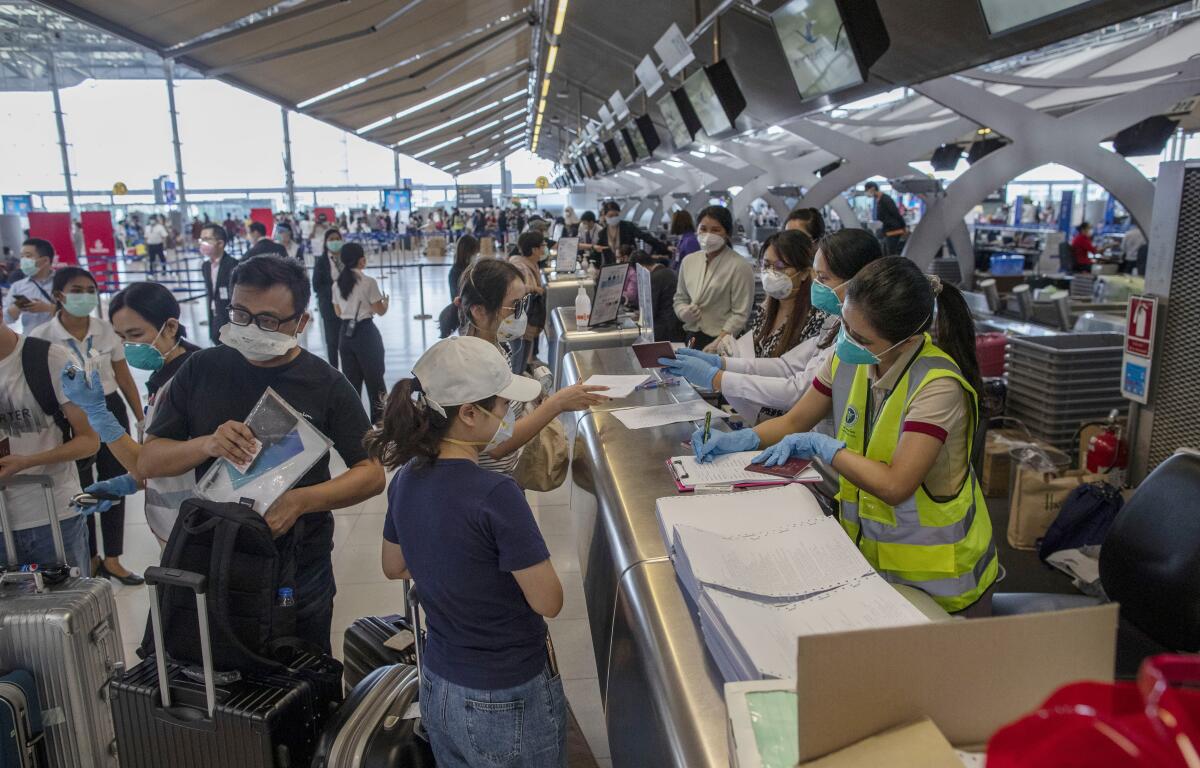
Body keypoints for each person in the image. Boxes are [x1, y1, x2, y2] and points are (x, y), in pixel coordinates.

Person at [695, 256, 999, 615]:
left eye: (859, 337)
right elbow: (794, 422)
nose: (845, 340)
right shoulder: (850, 357)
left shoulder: (937, 387)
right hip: (873, 564)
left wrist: (825, 447)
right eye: (845, 326)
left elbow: (895, 485)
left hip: (941, 582)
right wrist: (740, 439)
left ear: (908, 341)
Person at [138, 255, 386, 651]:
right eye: (240, 313)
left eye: (268, 320)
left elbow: (371, 472)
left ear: (301, 323)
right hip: (211, 551)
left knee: (302, 668)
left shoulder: (325, 384)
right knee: (216, 671)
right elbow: (148, 460)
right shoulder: (200, 368)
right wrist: (206, 444)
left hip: (298, 560)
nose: (251, 329)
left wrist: (303, 501)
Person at [369, 336, 565, 767]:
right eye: (503, 407)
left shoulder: (405, 478)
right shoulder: (496, 493)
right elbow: (548, 600)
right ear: (470, 414)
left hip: (439, 686)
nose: (509, 416)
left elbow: (393, 565)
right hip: (506, 693)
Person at [664, 230, 881, 426]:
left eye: (823, 278)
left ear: (857, 280)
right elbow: (786, 367)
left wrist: (717, 377)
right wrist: (720, 363)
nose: (817, 285)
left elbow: (797, 389)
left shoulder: (851, 332)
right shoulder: (835, 322)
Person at [58, 282, 200, 545]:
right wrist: (128, 483)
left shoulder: (191, 379)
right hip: (176, 525)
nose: (127, 345)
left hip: (196, 528)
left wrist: (98, 414)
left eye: (135, 334)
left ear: (170, 327)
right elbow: (170, 459)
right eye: (121, 337)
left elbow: (147, 463)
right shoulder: (163, 376)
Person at [437, 259, 608, 477]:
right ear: (479, 311)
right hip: (488, 479)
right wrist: (557, 404)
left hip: (508, 472)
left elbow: (503, 402)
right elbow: (497, 445)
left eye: (523, 304)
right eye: (514, 306)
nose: (521, 315)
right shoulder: (469, 364)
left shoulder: (498, 346)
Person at [31, 267, 145, 584]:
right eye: (77, 290)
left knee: (115, 482)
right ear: (59, 296)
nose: (85, 296)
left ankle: (114, 559)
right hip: (69, 415)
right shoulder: (42, 337)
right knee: (80, 490)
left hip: (108, 408)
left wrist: (139, 416)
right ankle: (91, 557)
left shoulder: (106, 329)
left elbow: (122, 375)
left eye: (90, 289)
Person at [0, 320, 98, 569]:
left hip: (53, 515)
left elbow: (89, 440)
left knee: (69, 603)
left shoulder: (49, 359)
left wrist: (28, 462)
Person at [673, 205, 756, 352]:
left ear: (727, 234)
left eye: (716, 230)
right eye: (703, 229)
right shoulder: (689, 261)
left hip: (723, 339)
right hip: (692, 335)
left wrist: (719, 341)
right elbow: (680, 298)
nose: (708, 235)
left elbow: (740, 314)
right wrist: (682, 312)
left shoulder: (739, 266)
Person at [333, 243, 389, 423]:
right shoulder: (368, 282)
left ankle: (355, 424)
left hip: (345, 334)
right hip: (365, 333)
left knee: (352, 383)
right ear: (361, 260)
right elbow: (380, 310)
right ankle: (380, 424)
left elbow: (338, 312)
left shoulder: (337, 284)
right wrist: (385, 302)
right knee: (375, 381)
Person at [507, 231, 548, 375]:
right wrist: (535, 288)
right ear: (534, 249)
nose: (545, 248)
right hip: (519, 321)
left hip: (526, 321)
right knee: (517, 360)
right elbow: (515, 289)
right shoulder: (521, 266)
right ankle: (513, 394)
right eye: (543, 245)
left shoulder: (531, 264)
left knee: (523, 358)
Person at [4, 238, 56, 333]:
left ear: (45, 261)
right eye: (22, 257)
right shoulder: (17, 286)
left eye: (28, 256)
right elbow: (4, 318)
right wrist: (14, 309)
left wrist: (47, 308)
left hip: (62, 342)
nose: (23, 260)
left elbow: (77, 313)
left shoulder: (64, 282)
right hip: (32, 341)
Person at [199, 223, 238, 347]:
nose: (202, 243)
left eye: (206, 240)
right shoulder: (205, 266)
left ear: (220, 243)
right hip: (214, 314)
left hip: (231, 319)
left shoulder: (234, 265)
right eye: (201, 240)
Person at [631, 253, 684, 343]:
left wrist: (640, 318)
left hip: (664, 330)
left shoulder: (654, 278)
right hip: (677, 325)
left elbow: (651, 309)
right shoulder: (669, 271)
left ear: (642, 266)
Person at [594, 201, 667, 266]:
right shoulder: (602, 233)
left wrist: (665, 247)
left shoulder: (627, 227)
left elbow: (644, 236)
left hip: (630, 264)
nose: (614, 218)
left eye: (616, 215)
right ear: (605, 216)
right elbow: (597, 252)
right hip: (611, 266)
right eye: (611, 215)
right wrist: (596, 266)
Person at [311, 228, 345, 369]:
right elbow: (316, 285)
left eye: (337, 239)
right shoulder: (321, 262)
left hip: (347, 305)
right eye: (331, 239)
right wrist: (335, 288)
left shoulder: (346, 259)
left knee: (346, 341)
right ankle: (334, 370)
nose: (335, 242)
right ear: (325, 242)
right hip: (329, 306)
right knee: (332, 342)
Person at [864, 182, 907, 256]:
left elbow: (895, 213)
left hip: (894, 230)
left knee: (890, 253)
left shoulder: (886, 199)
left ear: (873, 188)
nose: (866, 193)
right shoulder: (879, 200)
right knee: (886, 251)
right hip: (888, 229)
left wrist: (903, 226)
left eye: (867, 190)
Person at [449, 234, 479, 299]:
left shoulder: (473, 269)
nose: (476, 255)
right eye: (474, 253)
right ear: (468, 252)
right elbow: (458, 297)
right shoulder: (456, 272)